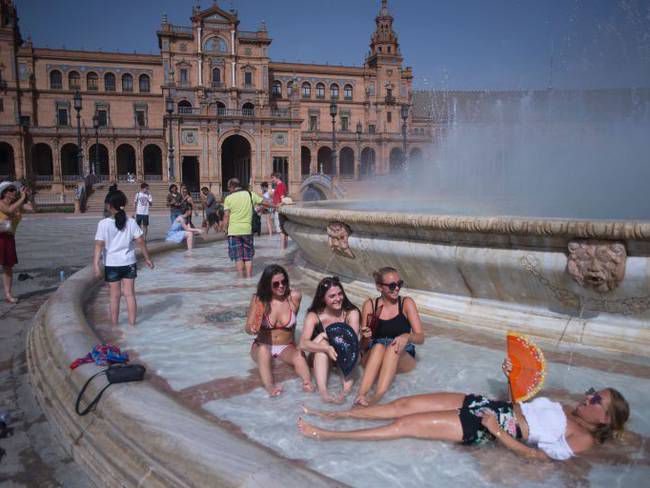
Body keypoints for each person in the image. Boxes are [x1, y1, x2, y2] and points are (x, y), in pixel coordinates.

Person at [298, 359, 631, 462]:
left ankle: (328, 434)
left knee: (406, 423)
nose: (588, 399)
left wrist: (497, 431)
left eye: (595, 401)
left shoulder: (583, 439)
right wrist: (512, 373)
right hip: (492, 406)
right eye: (592, 394)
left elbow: (538, 457)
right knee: (404, 405)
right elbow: (525, 395)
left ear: (605, 419)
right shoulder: (570, 410)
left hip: (494, 426)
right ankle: (339, 415)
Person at [354, 267, 425, 406]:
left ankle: (376, 398)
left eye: (400, 284)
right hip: (375, 356)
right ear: (379, 287)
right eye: (392, 286)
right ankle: (360, 396)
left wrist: (406, 336)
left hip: (401, 354)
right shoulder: (370, 305)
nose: (397, 288)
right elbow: (362, 347)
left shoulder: (406, 303)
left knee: (392, 347)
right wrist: (365, 337)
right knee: (379, 345)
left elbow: (421, 337)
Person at [245, 264, 314, 397]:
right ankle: (270, 387)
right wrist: (252, 329)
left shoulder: (293, 297)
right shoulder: (259, 300)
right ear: (267, 284)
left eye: (284, 282)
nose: (281, 286)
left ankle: (307, 383)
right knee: (264, 351)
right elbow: (247, 327)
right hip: (262, 345)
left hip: (286, 347)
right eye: (276, 284)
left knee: (299, 355)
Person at [93, 190, 154, 326]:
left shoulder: (103, 224)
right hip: (129, 263)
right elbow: (141, 241)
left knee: (114, 297)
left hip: (112, 264)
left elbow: (99, 245)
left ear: (109, 206)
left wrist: (96, 264)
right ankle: (132, 325)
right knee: (130, 295)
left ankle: (115, 326)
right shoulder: (131, 222)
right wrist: (147, 258)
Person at [299, 277, 361, 403]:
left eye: (340, 294)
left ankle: (345, 393)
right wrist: (325, 346)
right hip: (321, 357)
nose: (338, 299)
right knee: (322, 344)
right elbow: (302, 344)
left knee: (347, 351)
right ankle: (323, 393)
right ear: (323, 298)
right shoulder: (314, 315)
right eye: (332, 296)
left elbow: (352, 343)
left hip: (346, 353)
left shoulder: (351, 313)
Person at [222, 178, 266, 278]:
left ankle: (241, 280)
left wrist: (225, 229)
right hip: (247, 230)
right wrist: (276, 205)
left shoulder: (228, 198)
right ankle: (249, 279)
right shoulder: (250, 194)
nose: (229, 190)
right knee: (248, 257)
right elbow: (264, 202)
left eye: (229, 188)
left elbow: (226, 216)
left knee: (238, 257)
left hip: (233, 231)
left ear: (232, 187)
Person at [0, 181, 34, 304]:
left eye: (15, 190)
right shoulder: (1, 203)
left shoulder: (17, 204)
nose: (14, 192)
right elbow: (9, 210)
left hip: (9, 238)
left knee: (8, 267)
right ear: (4, 193)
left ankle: (8, 294)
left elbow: (32, 209)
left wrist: (28, 196)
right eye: (11, 190)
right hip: (0, 237)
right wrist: (22, 198)